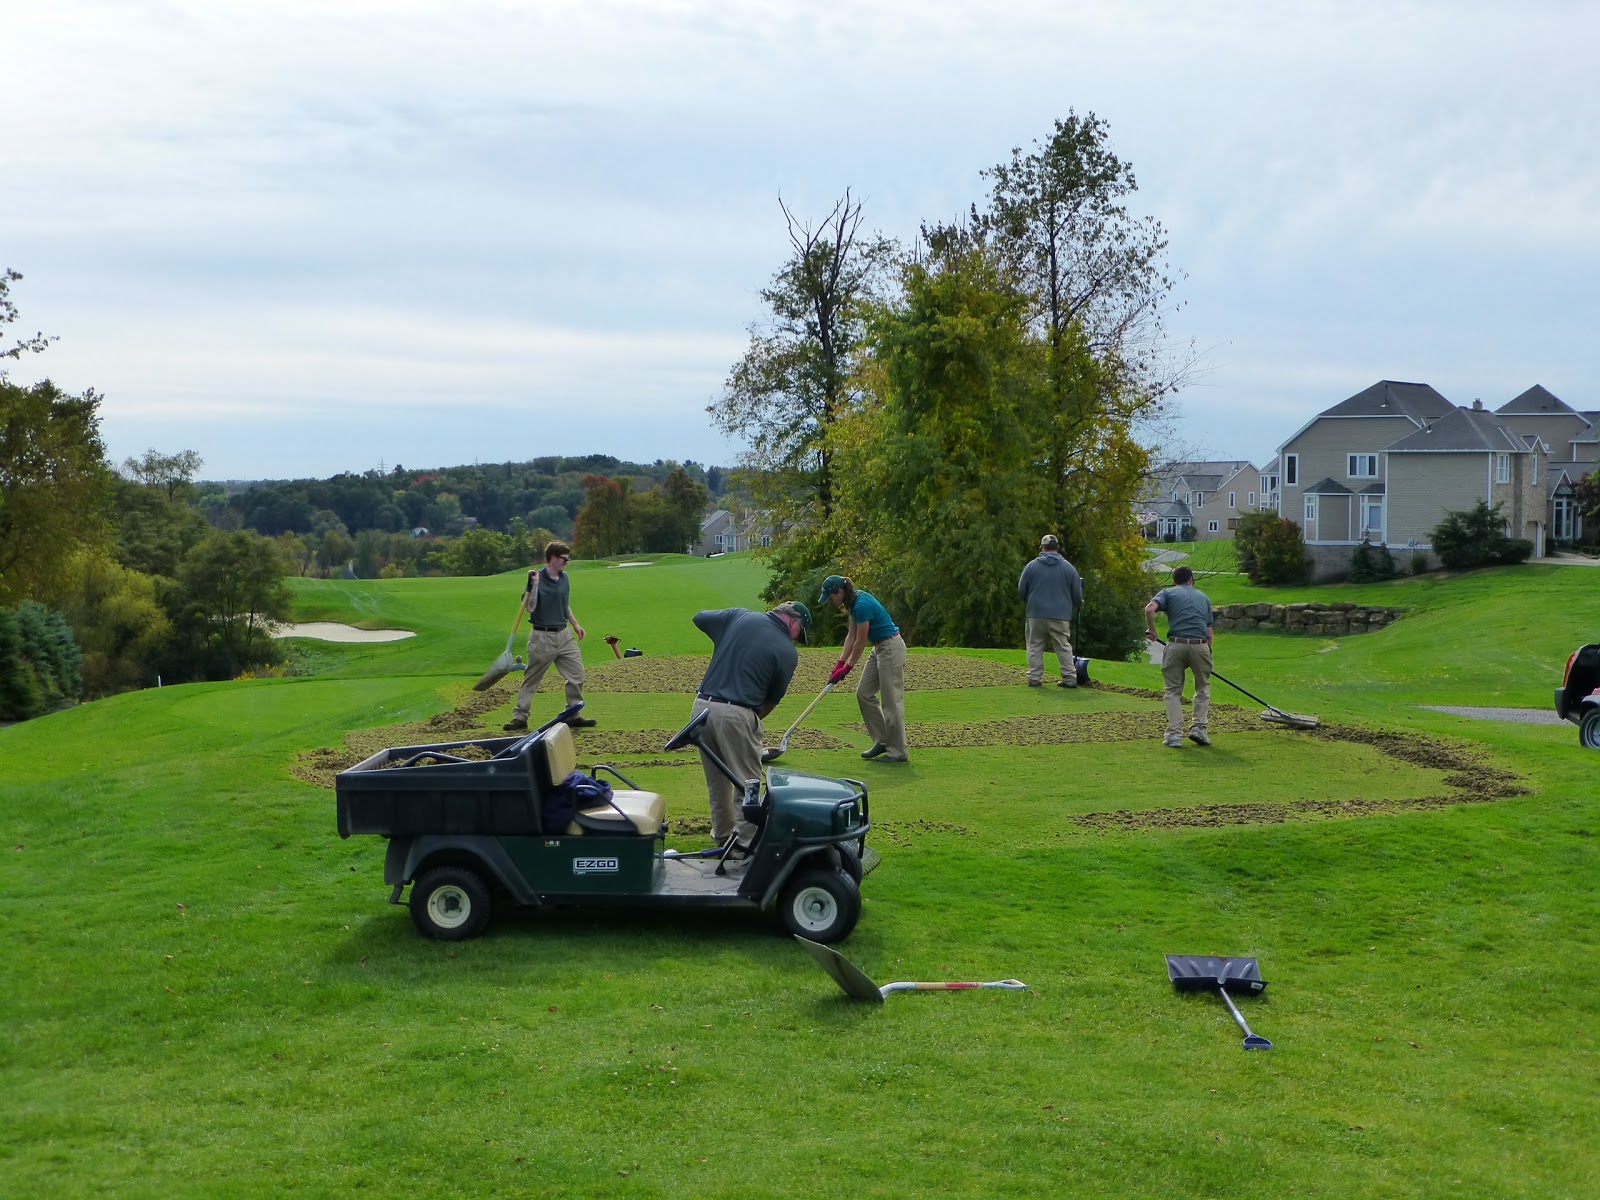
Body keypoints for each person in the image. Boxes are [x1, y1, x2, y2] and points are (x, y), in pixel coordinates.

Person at [690, 601, 811, 851]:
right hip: (736, 712)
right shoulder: (787, 652)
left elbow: (700, 616)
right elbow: (771, 701)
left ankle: (723, 836)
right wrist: (748, 723)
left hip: (700, 707)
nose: (797, 639)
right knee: (748, 783)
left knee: (717, 779)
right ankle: (745, 845)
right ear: (793, 622)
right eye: (800, 632)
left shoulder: (738, 616)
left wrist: (727, 634)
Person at [503, 541, 596, 732]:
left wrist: (575, 624)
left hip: (564, 634)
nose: (566, 563)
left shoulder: (565, 579)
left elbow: (565, 604)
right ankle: (520, 717)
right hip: (542, 637)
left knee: (577, 674)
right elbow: (530, 607)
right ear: (553, 558)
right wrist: (535, 585)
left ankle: (573, 713)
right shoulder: (536, 579)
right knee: (532, 679)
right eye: (564, 559)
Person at [819, 575, 908, 763]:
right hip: (879, 648)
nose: (830, 601)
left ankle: (898, 752)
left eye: (831, 597)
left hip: (891, 647)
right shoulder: (852, 603)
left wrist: (848, 668)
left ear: (840, 592)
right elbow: (850, 637)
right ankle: (883, 740)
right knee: (864, 694)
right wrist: (839, 663)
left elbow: (860, 642)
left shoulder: (862, 605)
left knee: (891, 701)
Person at [1145, 565, 1215, 748]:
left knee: (1173, 691)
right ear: (1192, 580)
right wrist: (1208, 653)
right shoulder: (1204, 598)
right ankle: (1199, 728)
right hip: (1200, 645)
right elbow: (1209, 631)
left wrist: (1152, 630)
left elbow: (1149, 609)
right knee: (1203, 687)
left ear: (1175, 581)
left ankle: (1174, 735)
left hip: (1175, 644)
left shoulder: (1168, 593)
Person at [1017, 533, 1085, 688]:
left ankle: (1034, 677)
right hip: (1061, 615)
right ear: (1057, 548)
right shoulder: (1069, 569)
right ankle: (1069, 678)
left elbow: (1021, 590)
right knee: (1063, 646)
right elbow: (1076, 594)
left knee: (1035, 645)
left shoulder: (1031, 566)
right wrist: (1079, 604)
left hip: (1036, 613)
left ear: (1042, 547)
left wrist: (1031, 602)